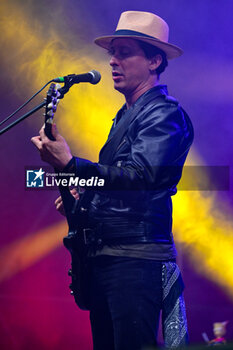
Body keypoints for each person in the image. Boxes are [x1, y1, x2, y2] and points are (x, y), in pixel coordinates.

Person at [31, 11, 194, 350]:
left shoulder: (164, 114)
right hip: (111, 256)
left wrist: (72, 165)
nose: (113, 61)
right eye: (112, 53)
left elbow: (140, 178)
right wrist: (84, 196)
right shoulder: (126, 114)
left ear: (154, 60)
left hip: (136, 259)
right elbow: (119, 182)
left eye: (124, 52)